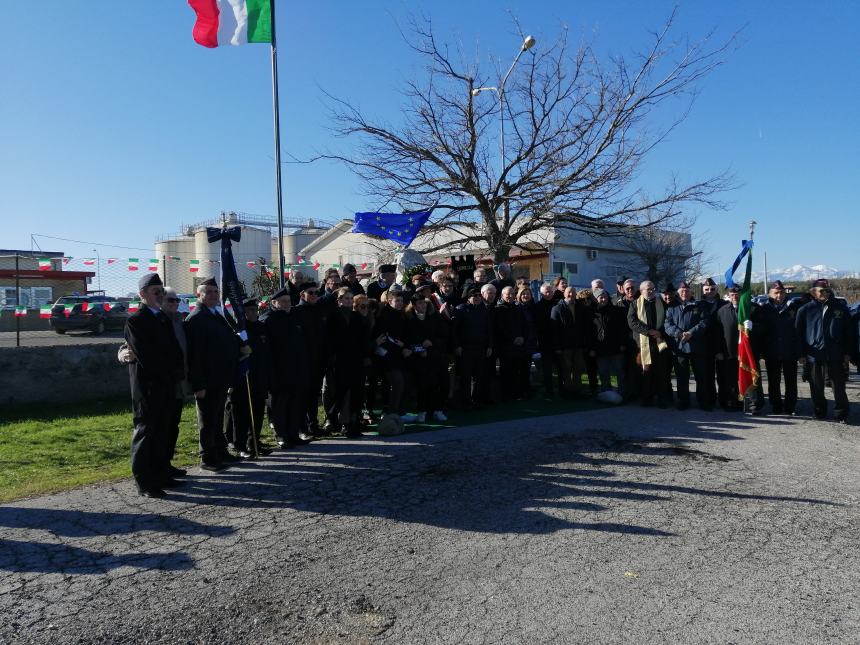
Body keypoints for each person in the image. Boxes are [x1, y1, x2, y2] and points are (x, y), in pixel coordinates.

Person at [123, 273, 183, 498]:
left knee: (163, 431)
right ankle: (145, 481)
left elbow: (175, 349)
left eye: (161, 291)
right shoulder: (136, 321)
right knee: (146, 432)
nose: (160, 295)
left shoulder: (163, 318)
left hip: (167, 384)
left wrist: (176, 371)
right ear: (142, 295)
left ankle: (161, 474)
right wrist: (166, 373)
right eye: (155, 291)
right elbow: (146, 356)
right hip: (148, 386)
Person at [185, 278, 241, 470]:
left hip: (221, 377)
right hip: (207, 379)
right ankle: (207, 457)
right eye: (208, 292)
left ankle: (220, 451)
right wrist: (198, 384)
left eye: (215, 292)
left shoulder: (216, 315)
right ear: (198, 295)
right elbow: (194, 356)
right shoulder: (196, 318)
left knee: (216, 418)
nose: (213, 295)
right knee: (207, 420)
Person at [796, 279, 854, 422]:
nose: (825, 293)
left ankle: (841, 413)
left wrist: (848, 352)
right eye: (821, 291)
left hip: (836, 354)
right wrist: (801, 354)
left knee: (838, 387)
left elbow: (849, 332)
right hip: (814, 355)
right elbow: (798, 334)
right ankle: (819, 411)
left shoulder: (840, 308)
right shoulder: (805, 310)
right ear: (813, 292)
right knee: (816, 386)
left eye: (827, 290)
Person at [263, 287, 311, 447]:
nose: (286, 304)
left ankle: (293, 433)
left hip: (296, 369)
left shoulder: (295, 317)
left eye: (288, 301)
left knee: (296, 404)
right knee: (280, 406)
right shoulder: (268, 320)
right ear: (274, 303)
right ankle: (281, 435)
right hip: (279, 370)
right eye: (283, 302)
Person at [226, 298, 270, 457]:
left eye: (254, 310)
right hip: (242, 376)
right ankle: (240, 445)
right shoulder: (237, 330)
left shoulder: (261, 327)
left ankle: (253, 443)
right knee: (240, 413)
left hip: (259, 375)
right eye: (248, 311)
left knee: (258, 411)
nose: (252, 313)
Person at [325, 288, 372, 436]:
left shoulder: (356, 316)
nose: (349, 301)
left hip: (356, 360)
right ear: (339, 300)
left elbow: (362, 339)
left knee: (357, 392)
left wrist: (365, 356)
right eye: (346, 298)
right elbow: (329, 340)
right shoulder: (333, 316)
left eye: (351, 299)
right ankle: (334, 419)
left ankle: (353, 422)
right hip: (339, 361)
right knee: (341, 393)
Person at [714, 286, 765, 413]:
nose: (735, 297)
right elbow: (718, 334)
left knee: (752, 378)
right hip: (730, 351)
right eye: (732, 294)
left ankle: (754, 404)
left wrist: (754, 326)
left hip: (749, 351)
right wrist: (718, 351)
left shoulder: (754, 308)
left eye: (737, 294)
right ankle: (733, 402)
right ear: (728, 296)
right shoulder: (722, 311)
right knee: (730, 379)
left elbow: (765, 329)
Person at [664, 280, 713, 411]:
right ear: (677, 293)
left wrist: (691, 333)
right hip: (679, 347)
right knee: (682, 376)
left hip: (697, 346)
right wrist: (679, 334)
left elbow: (705, 322)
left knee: (701, 376)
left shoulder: (699, 305)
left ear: (691, 292)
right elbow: (667, 325)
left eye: (686, 290)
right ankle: (683, 400)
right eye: (681, 291)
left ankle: (703, 401)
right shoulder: (671, 307)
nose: (684, 293)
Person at [405, 292, 451, 423]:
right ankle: (422, 411)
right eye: (419, 303)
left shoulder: (434, 316)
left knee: (443, 383)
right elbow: (407, 340)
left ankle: (438, 410)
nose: (422, 305)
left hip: (437, 355)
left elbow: (443, 335)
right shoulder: (409, 319)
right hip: (420, 358)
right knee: (424, 386)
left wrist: (431, 343)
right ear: (413, 305)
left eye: (423, 302)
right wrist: (420, 348)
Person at [372, 288, 415, 422]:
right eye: (397, 301)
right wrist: (400, 347)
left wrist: (406, 347)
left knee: (403, 381)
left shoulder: (402, 315)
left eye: (401, 301)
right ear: (389, 301)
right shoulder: (383, 316)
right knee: (397, 381)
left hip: (399, 355)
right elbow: (384, 338)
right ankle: (392, 412)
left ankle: (399, 411)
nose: (400, 303)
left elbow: (407, 335)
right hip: (387, 356)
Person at [627, 280, 671, 407]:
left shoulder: (661, 303)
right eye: (648, 289)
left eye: (652, 288)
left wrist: (660, 332)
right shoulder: (635, 304)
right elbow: (632, 322)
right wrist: (649, 331)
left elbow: (668, 320)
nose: (651, 291)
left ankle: (662, 398)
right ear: (641, 291)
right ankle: (647, 398)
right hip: (642, 344)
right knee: (646, 372)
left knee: (661, 372)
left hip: (660, 342)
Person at [760, 280, 801, 415]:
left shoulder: (793, 308)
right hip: (772, 351)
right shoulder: (764, 309)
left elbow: (799, 330)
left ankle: (790, 407)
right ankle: (776, 405)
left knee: (791, 381)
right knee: (774, 381)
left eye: (781, 292)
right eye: (776, 293)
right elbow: (761, 330)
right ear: (769, 294)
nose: (779, 295)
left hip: (790, 351)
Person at [293, 281, 326, 437]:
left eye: (316, 293)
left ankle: (313, 425)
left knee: (313, 395)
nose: (314, 295)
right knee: (302, 397)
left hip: (318, 359)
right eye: (311, 293)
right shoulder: (296, 312)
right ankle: (302, 428)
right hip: (303, 362)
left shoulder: (319, 310)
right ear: (302, 295)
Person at [454, 287, 494, 407]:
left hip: (481, 347)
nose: (476, 297)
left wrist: (490, 346)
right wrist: (457, 346)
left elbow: (489, 330)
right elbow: (454, 331)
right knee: (466, 377)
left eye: (478, 295)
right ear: (468, 297)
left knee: (479, 376)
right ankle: (466, 402)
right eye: (474, 295)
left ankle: (477, 400)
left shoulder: (484, 310)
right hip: (466, 348)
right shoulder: (460, 309)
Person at [587, 288, 627, 394]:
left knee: (619, 370)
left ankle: (622, 391)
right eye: (600, 297)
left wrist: (622, 343)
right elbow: (589, 333)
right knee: (603, 371)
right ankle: (606, 391)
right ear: (596, 299)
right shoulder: (592, 313)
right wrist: (591, 348)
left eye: (604, 296)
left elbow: (622, 328)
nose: (603, 299)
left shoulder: (616, 310)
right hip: (600, 348)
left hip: (616, 347)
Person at [494, 286, 530, 399]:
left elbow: (525, 325)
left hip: (520, 346)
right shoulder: (498, 309)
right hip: (506, 347)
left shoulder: (518, 308)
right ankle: (506, 395)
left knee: (518, 372)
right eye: (507, 294)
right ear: (502, 295)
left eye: (512, 294)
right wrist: (512, 339)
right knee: (506, 372)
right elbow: (499, 328)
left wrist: (522, 337)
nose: (510, 296)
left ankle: (518, 393)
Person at [552, 286, 586, 398]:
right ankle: (568, 392)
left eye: (573, 292)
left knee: (578, 369)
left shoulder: (580, 307)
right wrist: (557, 346)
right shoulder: (557, 308)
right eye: (568, 292)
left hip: (578, 345)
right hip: (564, 346)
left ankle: (578, 391)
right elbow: (554, 330)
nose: (571, 294)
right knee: (566, 370)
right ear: (564, 294)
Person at [535, 282, 561, 397]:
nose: (549, 293)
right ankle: (549, 390)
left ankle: (562, 388)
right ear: (541, 293)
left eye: (551, 291)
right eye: (546, 291)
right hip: (545, 342)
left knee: (561, 367)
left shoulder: (558, 304)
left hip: (558, 341)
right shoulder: (537, 306)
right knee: (547, 368)